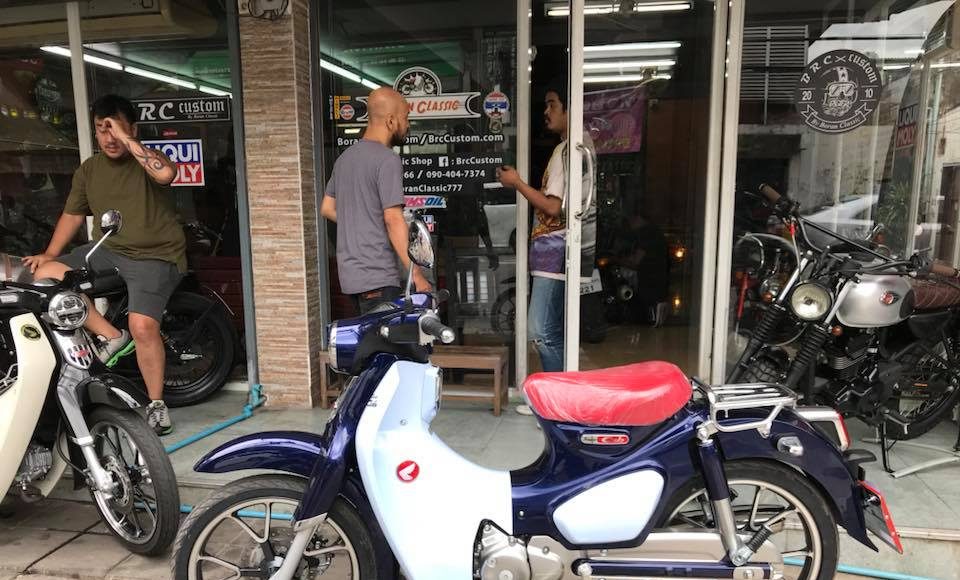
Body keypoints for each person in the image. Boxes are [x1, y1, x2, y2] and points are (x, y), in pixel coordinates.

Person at [23, 94, 185, 436]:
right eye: (101, 129)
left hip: (155, 255)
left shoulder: (148, 160)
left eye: (115, 128)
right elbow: (73, 214)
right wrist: (50, 253)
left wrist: (127, 138)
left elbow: (166, 174)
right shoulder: (90, 169)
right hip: (107, 250)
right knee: (45, 275)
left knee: (143, 326)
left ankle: (156, 405)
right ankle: (111, 335)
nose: (108, 137)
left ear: (132, 129)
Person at [497, 83, 597, 413]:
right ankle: (565, 398)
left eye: (552, 104)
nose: (546, 111)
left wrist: (516, 183)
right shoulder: (582, 148)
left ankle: (556, 403)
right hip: (565, 252)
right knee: (554, 329)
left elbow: (553, 207)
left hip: (556, 254)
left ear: (571, 109)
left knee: (541, 330)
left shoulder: (567, 151)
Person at [321, 87, 430, 314]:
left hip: (351, 278)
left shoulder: (344, 159)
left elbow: (327, 208)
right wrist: (418, 277)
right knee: (388, 336)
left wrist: (363, 221)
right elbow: (393, 219)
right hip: (378, 275)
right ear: (391, 121)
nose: (408, 124)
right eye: (405, 118)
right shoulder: (387, 160)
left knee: (369, 333)